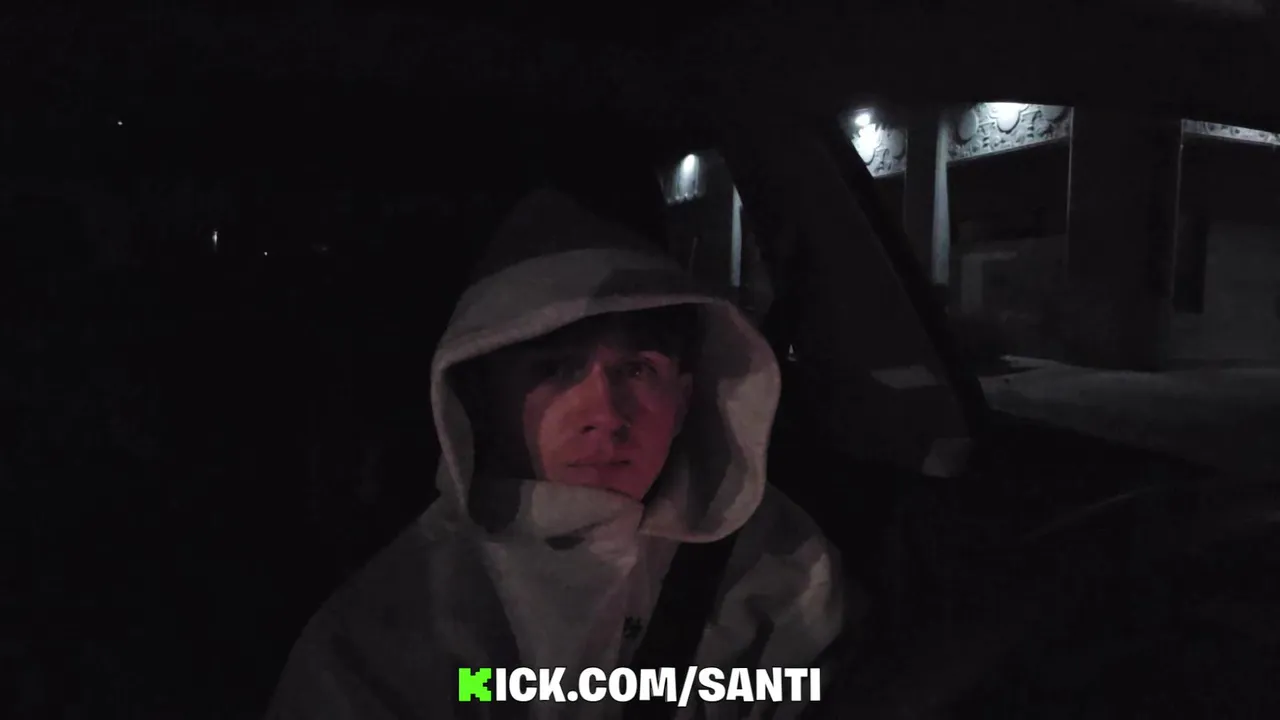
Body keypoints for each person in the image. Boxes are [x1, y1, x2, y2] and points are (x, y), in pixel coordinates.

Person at [264, 186, 854, 719]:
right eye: (553, 369)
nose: (606, 413)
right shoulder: (399, 621)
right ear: (484, 400)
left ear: (683, 401)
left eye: (637, 369)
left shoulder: (778, 567)